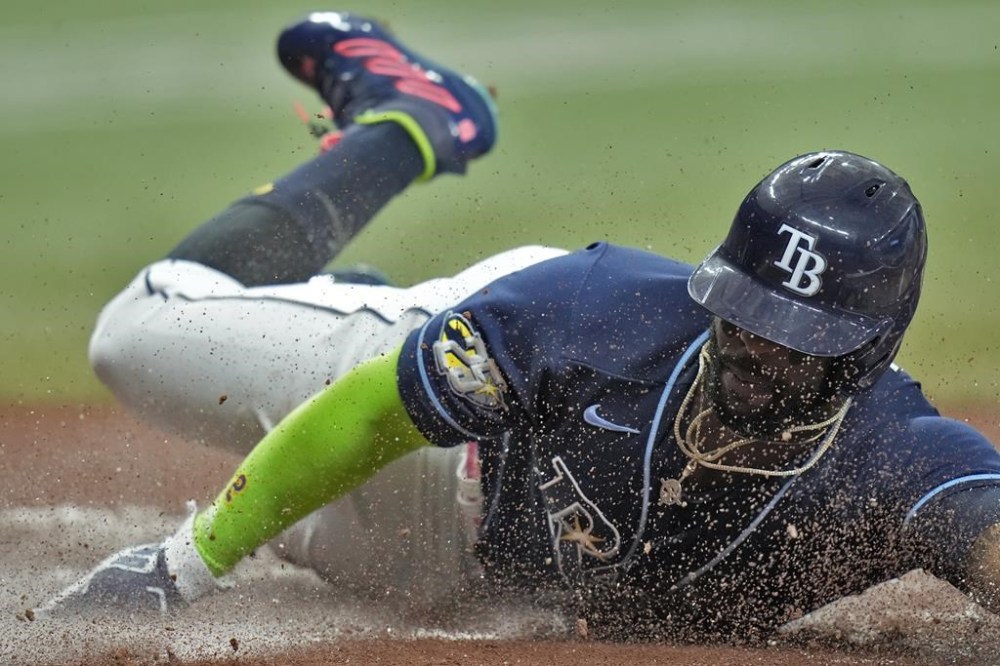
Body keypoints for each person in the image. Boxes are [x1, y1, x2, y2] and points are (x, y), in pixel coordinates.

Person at [36, 10, 1000, 642]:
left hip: (466, 581)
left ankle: (348, 284)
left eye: (797, 339)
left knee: (288, 523)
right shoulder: (601, 310)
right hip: (445, 422)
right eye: (746, 311)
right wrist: (184, 566)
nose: (754, 346)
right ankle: (406, 120)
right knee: (134, 338)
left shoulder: (892, 453)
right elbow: (373, 417)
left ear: (867, 355)